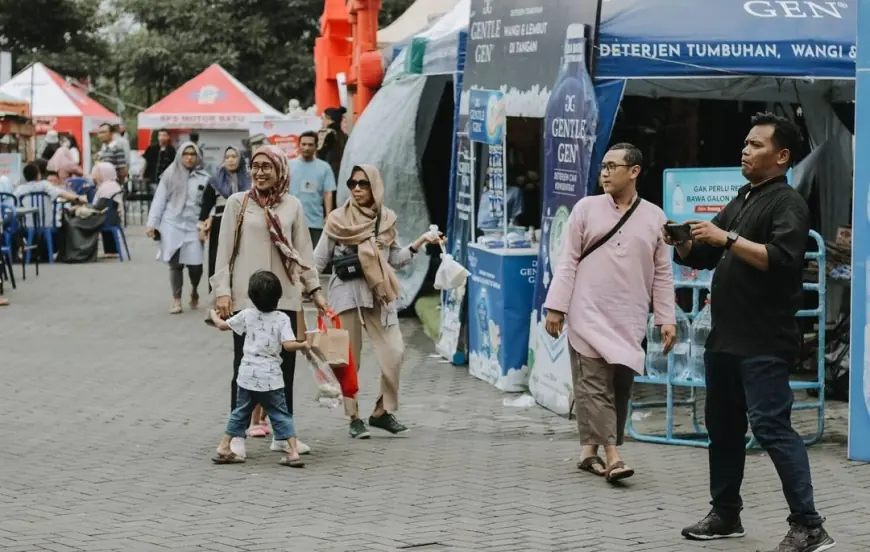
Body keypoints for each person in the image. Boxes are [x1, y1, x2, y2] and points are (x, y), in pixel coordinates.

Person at [669, 112, 835, 552]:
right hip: (725, 338)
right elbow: (704, 257)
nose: (745, 149)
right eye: (744, 142)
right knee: (722, 428)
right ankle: (725, 514)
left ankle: (809, 525)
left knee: (771, 426)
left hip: (763, 339)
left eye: (756, 144)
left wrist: (725, 239)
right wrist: (684, 240)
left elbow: (781, 259)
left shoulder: (787, 203)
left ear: (782, 156)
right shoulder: (744, 196)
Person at [543, 143, 676, 483]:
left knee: (619, 385)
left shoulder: (655, 217)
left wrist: (666, 318)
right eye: (603, 166)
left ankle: (589, 451)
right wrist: (556, 307)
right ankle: (614, 456)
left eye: (613, 166)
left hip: (629, 317)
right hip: (586, 311)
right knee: (594, 386)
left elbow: (662, 272)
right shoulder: (585, 209)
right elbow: (567, 259)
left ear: (634, 172)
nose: (604, 173)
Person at [211, 145, 330, 458]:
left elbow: (303, 251)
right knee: (244, 365)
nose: (261, 172)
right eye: (256, 166)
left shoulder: (292, 205)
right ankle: (236, 436)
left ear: (280, 171)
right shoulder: (238, 203)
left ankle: (282, 433)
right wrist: (222, 290)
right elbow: (223, 250)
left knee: (284, 367)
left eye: (268, 167)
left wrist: (315, 291)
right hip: (245, 298)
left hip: (286, 298)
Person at [314, 164, 443, 439]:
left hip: (380, 293)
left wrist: (420, 241)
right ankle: (353, 417)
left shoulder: (386, 219)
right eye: (352, 184)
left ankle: (381, 412)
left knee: (394, 352)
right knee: (348, 360)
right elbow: (319, 259)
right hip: (345, 294)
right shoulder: (337, 219)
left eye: (363, 183)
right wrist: (314, 292)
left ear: (375, 186)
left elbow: (395, 259)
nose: (357, 189)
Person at [209, 270, 308, 467]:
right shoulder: (282, 319)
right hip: (271, 377)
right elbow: (288, 345)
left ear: (251, 296)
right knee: (280, 414)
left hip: (247, 375)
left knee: (240, 412)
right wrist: (303, 344)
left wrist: (213, 314)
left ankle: (224, 445)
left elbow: (222, 326)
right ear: (278, 296)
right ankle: (293, 451)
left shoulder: (246, 314)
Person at [146, 142, 208, 314]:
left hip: (194, 225)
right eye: (186, 154)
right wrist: (152, 224)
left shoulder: (204, 177)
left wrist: (205, 223)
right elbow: (159, 200)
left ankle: (194, 289)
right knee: (175, 264)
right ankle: (176, 299)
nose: (189, 157)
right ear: (180, 156)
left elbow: (208, 203)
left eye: (192, 154)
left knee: (196, 265)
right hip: (172, 222)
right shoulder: (169, 175)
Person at [199, 146, 251, 285]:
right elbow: (206, 205)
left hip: (244, 223)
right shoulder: (215, 180)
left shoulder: (249, 180)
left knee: (242, 259)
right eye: (227, 157)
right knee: (218, 258)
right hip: (220, 224)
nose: (230, 160)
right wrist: (202, 224)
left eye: (234, 156)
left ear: (240, 159)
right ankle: (216, 296)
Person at [57, 163, 124, 263]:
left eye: (97, 174)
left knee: (71, 223)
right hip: (110, 217)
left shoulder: (106, 188)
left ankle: (78, 254)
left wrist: (80, 207)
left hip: (102, 218)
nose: (94, 177)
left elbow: (98, 207)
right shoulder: (112, 185)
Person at [289, 130, 336, 247]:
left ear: (316, 146)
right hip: (292, 221)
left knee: (315, 259)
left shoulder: (324, 167)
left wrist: (328, 215)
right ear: (298, 145)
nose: (306, 148)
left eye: (310, 145)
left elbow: (328, 192)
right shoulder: (289, 165)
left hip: (316, 223)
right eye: (303, 144)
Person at [15, 162, 85, 228]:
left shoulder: (19, 189)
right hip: (47, 224)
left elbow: (13, 205)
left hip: (26, 225)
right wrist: (79, 199)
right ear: (39, 175)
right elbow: (61, 193)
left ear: (25, 177)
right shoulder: (44, 185)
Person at [317, 106, 347, 180]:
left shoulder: (326, 134)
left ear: (329, 119)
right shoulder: (344, 136)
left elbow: (319, 155)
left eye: (323, 118)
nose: (321, 121)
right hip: (343, 173)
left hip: (328, 174)